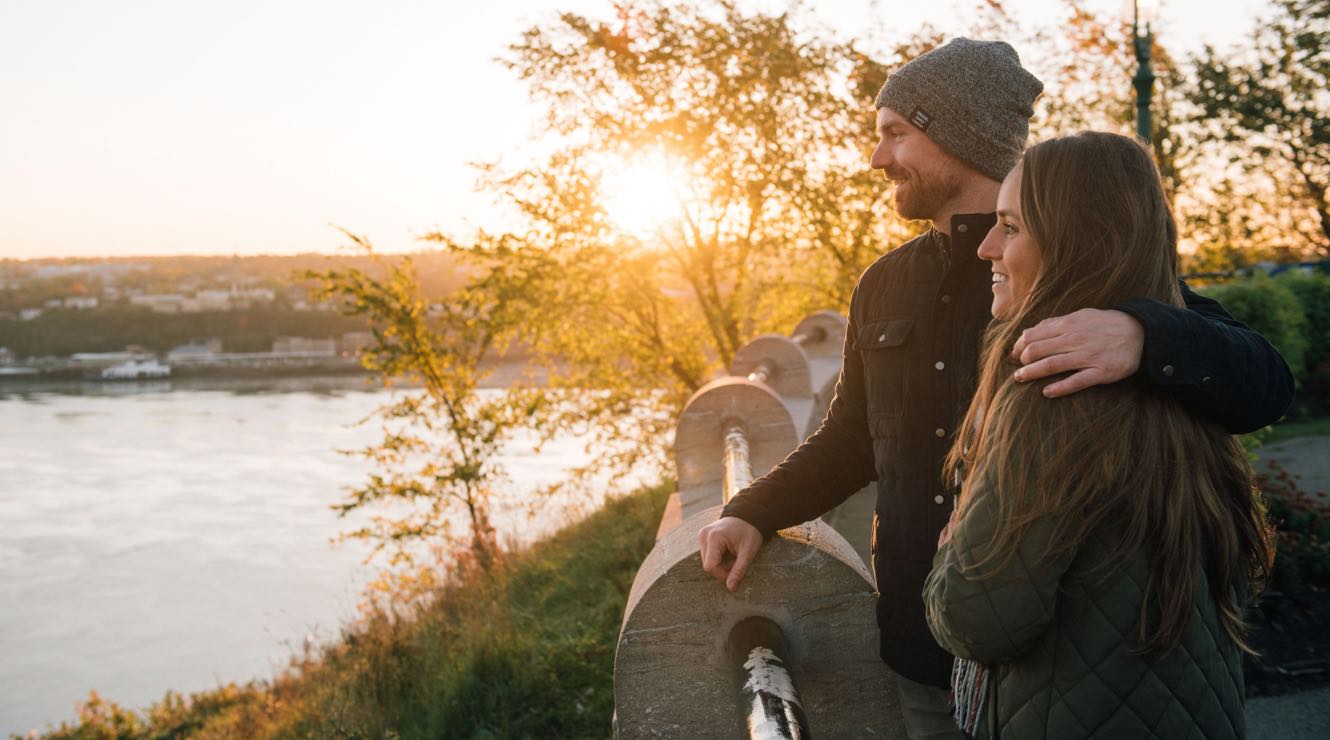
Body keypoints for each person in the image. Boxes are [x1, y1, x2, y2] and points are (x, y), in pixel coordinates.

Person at [696, 38, 1293, 739]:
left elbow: (1265, 383)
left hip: (1060, 664)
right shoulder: (884, 284)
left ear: (960, 138)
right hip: (923, 652)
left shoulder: (1073, 278)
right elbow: (853, 440)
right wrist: (753, 509)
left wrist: (1146, 334)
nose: (877, 157)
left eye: (896, 134)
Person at [923, 131, 1273, 739]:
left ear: (1073, 244)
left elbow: (980, 620)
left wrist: (951, 552)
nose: (984, 247)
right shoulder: (1186, 380)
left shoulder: (1053, 393)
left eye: (1010, 226)